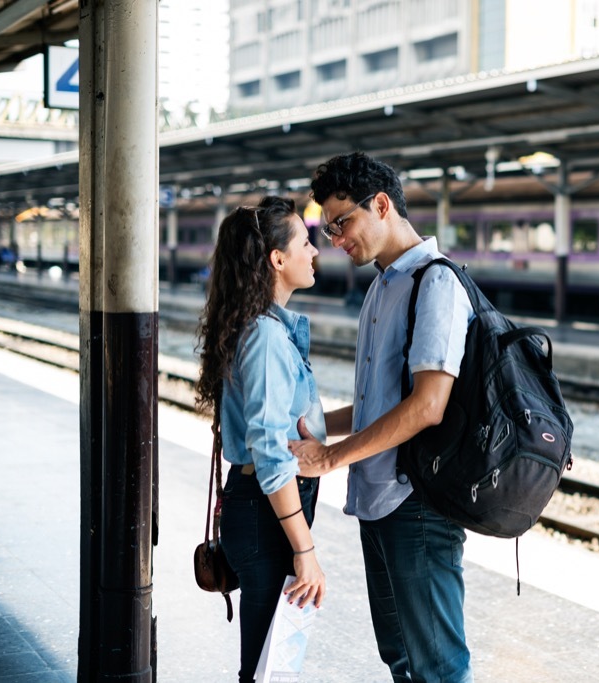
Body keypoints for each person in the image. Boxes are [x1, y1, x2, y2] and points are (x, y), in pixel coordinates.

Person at [290, 151, 475, 683]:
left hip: (416, 501)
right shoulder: (383, 284)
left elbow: (427, 405)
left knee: (438, 667)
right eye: (326, 229)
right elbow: (379, 403)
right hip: (379, 501)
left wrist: (329, 457)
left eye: (342, 222)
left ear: (382, 204)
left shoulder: (434, 283)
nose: (335, 238)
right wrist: (319, 427)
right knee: (401, 658)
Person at [195, 196, 328, 683]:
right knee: (267, 666)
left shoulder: (258, 328)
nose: (314, 252)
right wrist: (305, 549)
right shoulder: (268, 339)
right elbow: (272, 455)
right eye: (306, 243)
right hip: (267, 513)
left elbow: (289, 420)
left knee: (268, 658)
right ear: (277, 259)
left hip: (256, 509)